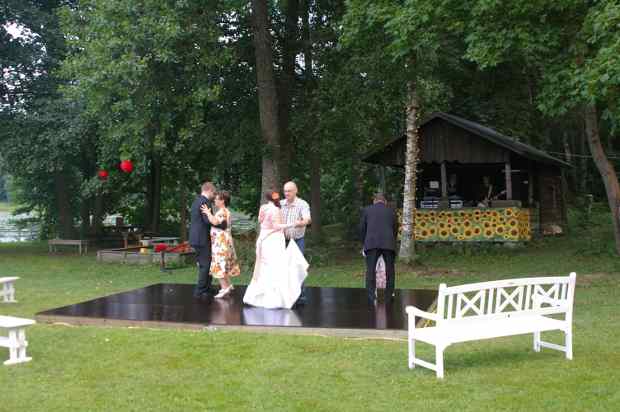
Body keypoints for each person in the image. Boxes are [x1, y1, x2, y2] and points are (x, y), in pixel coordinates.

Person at [243, 191, 309, 309]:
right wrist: (292, 224)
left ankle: (257, 296)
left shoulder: (263, 208)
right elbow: (277, 226)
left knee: (263, 267)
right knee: (275, 267)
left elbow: (259, 220)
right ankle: (274, 298)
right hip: (273, 240)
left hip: (263, 239)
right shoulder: (276, 210)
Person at [189, 182, 227, 299]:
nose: (214, 195)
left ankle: (206, 287)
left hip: (195, 237)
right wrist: (222, 225)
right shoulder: (205, 202)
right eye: (213, 193)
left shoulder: (196, 201)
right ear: (209, 190)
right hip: (202, 238)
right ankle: (200, 291)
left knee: (205, 263)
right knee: (205, 265)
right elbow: (207, 220)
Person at [201, 191, 241, 299]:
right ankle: (228, 285)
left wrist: (207, 213)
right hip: (222, 241)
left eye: (217, 199)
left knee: (219, 264)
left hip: (221, 242)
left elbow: (215, 222)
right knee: (223, 263)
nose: (215, 200)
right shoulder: (224, 211)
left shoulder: (223, 211)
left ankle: (224, 288)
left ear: (222, 200)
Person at [360, 193, 397, 304]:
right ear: (385, 201)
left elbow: (362, 228)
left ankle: (372, 298)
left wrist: (364, 243)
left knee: (370, 270)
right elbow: (395, 227)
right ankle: (388, 296)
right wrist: (393, 240)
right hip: (388, 243)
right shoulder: (391, 211)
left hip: (371, 243)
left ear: (374, 201)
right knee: (390, 271)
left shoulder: (367, 210)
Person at [281, 181, 311, 304]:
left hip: (297, 240)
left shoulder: (302, 204)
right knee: (282, 268)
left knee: (298, 267)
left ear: (295, 191)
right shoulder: (281, 204)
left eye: (289, 191)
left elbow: (308, 219)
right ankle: (285, 296)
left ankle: (300, 297)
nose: (286, 193)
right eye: (285, 191)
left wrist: (301, 222)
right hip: (282, 241)